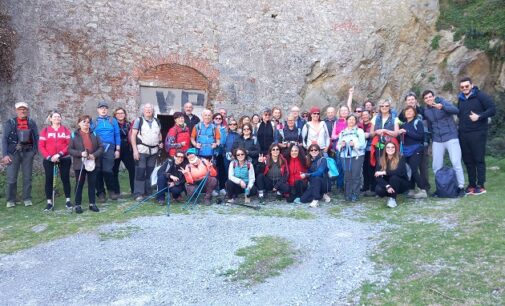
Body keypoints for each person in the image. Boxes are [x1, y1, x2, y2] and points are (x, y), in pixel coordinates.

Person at [422, 90, 465, 196]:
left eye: (430, 97)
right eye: (426, 98)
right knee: (436, 165)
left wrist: (442, 107)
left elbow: (456, 110)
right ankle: (440, 188)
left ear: (433, 97)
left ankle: (461, 187)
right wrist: (432, 139)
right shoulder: (426, 111)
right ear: (424, 100)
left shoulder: (442, 102)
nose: (428, 99)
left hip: (451, 137)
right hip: (437, 140)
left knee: (456, 162)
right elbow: (430, 126)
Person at [457, 77, 496, 195]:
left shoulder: (481, 96)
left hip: (478, 132)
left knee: (478, 159)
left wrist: (479, 116)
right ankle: (472, 185)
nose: (464, 88)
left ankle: (481, 185)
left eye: (466, 86)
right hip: (464, 134)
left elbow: (492, 109)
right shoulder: (461, 99)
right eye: (462, 87)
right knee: (468, 161)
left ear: (472, 85)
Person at [2, 102, 39, 208]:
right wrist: (5, 155)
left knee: (27, 177)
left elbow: (36, 136)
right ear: (16, 110)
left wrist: (34, 151)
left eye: (24, 109)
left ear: (27, 110)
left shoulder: (31, 122)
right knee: (11, 177)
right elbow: (4, 138)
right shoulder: (10, 122)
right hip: (13, 153)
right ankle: (11, 200)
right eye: (20, 109)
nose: (22, 111)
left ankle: (27, 198)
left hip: (28, 152)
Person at [68, 115, 104, 213]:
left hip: (92, 162)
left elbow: (101, 147)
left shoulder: (94, 134)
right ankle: (77, 205)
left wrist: (94, 155)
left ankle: (92, 204)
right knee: (79, 184)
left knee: (92, 183)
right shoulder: (74, 135)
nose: (86, 124)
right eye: (84, 122)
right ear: (79, 123)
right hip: (80, 163)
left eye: (88, 122)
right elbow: (70, 150)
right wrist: (80, 154)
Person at [38, 111, 72, 211]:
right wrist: (49, 157)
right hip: (49, 159)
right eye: (55, 117)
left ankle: (68, 200)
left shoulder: (65, 130)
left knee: (65, 179)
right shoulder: (45, 131)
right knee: (49, 180)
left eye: (59, 117)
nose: (57, 118)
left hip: (64, 158)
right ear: (50, 119)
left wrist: (60, 154)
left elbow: (69, 144)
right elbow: (41, 145)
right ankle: (49, 202)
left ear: (61, 119)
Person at [130, 103, 163, 201]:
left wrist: (160, 142)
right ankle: (138, 193)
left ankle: (148, 192)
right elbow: (133, 136)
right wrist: (135, 150)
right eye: (146, 108)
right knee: (140, 171)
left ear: (153, 111)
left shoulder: (157, 121)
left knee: (150, 171)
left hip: (153, 151)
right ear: (143, 111)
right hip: (141, 150)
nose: (148, 110)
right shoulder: (138, 121)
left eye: (150, 108)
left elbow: (159, 134)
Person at [399, 93, 431, 193]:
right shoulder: (403, 122)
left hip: (419, 147)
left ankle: (424, 189)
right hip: (407, 149)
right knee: (410, 169)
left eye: (412, 99)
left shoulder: (420, 116)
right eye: (409, 100)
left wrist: (407, 132)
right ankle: (411, 188)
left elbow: (420, 135)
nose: (411, 101)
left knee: (421, 167)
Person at [91, 101, 121, 202]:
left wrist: (117, 149)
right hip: (97, 148)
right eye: (101, 108)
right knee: (98, 171)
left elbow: (117, 134)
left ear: (107, 110)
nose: (103, 110)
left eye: (105, 108)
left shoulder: (113, 120)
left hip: (110, 148)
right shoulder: (94, 121)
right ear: (98, 110)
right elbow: (90, 135)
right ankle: (100, 193)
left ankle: (111, 191)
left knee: (108, 170)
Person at [336, 114, 366, 201]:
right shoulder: (342, 132)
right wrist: (342, 145)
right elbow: (338, 145)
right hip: (345, 156)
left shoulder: (359, 131)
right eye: (350, 119)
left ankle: (355, 194)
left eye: (353, 119)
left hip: (357, 156)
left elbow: (363, 144)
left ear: (356, 121)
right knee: (347, 175)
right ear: (347, 121)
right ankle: (348, 193)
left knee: (356, 175)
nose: (351, 121)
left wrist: (355, 144)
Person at [374, 141, 410, 208]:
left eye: (392, 147)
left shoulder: (400, 158)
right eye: (388, 147)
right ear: (385, 149)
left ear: (395, 149)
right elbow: (377, 176)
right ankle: (390, 191)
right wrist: (387, 186)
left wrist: (384, 172)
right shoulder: (381, 159)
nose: (390, 149)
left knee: (394, 177)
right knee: (378, 190)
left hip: (401, 183)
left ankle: (392, 199)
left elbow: (399, 172)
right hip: (388, 183)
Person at [111, 107, 135, 196]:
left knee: (132, 169)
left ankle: (134, 190)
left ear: (125, 114)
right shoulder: (112, 124)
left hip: (127, 149)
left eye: (122, 113)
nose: (120, 115)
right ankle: (116, 191)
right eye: (118, 113)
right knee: (114, 170)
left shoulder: (129, 124)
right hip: (116, 149)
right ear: (115, 115)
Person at [369, 99, 400, 168]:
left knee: (391, 165)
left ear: (389, 107)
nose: (384, 107)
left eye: (386, 106)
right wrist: (376, 132)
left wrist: (385, 130)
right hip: (379, 144)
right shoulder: (375, 118)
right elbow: (371, 134)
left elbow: (396, 133)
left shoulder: (394, 118)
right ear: (379, 108)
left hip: (391, 145)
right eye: (382, 106)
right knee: (379, 164)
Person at [359, 110, 375, 196]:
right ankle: (365, 186)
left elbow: (373, 134)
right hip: (362, 149)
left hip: (370, 148)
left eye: (366, 114)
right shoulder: (359, 125)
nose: (365, 116)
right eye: (363, 115)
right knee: (364, 169)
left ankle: (372, 187)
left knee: (371, 168)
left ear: (369, 115)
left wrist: (368, 135)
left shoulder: (372, 124)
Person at [213, 112, 227, 195]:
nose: (218, 120)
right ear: (213, 119)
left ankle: (221, 187)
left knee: (221, 171)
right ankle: (213, 189)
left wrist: (220, 144)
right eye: (216, 118)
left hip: (221, 152)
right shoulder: (211, 128)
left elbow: (224, 140)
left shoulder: (223, 129)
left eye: (220, 118)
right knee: (213, 171)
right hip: (213, 152)